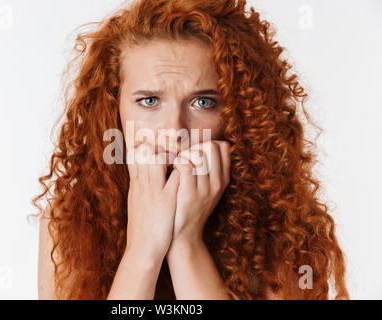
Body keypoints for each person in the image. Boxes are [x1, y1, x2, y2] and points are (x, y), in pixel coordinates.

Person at [34, 0, 349, 300]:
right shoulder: (70, 219)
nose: (175, 131)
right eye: (149, 101)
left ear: (238, 114)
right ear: (114, 109)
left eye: (203, 102)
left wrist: (186, 242)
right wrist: (143, 249)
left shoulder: (284, 225)